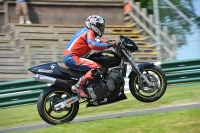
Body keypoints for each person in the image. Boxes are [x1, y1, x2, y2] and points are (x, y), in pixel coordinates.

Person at [63, 15, 117, 98]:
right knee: (97, 67)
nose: (101, 29)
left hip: (71, 56)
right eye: (99, 27)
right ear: (93, 25)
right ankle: (79, 87)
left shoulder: (86, 31)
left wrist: (109, 42)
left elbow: (96, 41)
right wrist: (107, 45)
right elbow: (92, 44)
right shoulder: (89, 32)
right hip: (72, 57)